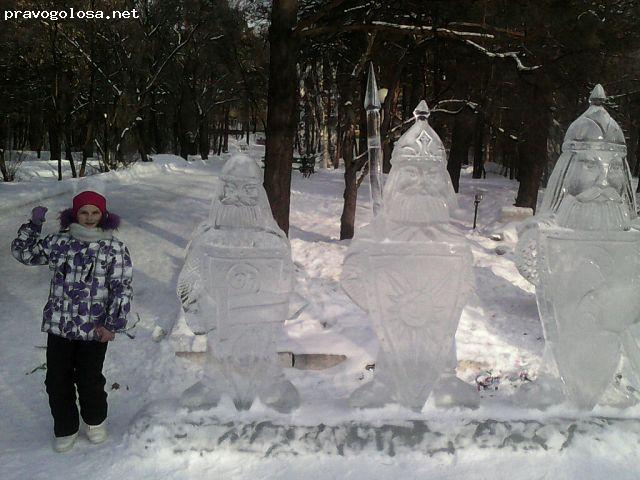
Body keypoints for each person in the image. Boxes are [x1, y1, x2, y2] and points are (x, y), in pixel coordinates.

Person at [11, 191, 133, 452]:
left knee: (89, 380)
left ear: (104, 215)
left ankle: (95, 421)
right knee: (57, 380)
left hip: (94, 330)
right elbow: (24, 253)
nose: (89, 218)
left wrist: (112, 324)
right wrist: (33, 227)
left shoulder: (114, 248)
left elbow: (121, 288)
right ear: (74, 214)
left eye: (95, 212)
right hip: (60, 328)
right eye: (84, 212)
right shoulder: (59, 242)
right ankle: (66, 427)